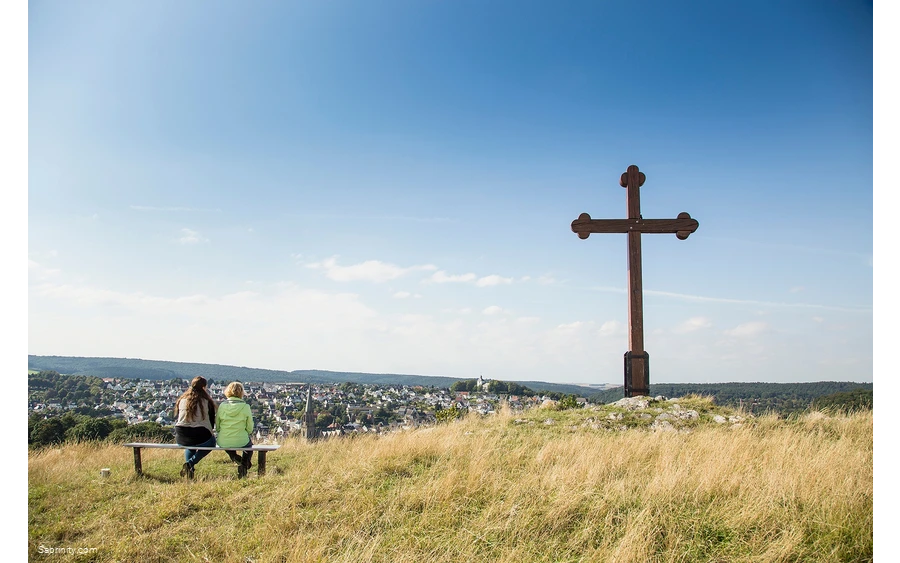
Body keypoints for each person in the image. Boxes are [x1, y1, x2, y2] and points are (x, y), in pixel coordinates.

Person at [173, 376, 217, 479]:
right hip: (201, 433)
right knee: (211, 443)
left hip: (182, 434)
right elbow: (211, 421)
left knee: (190, 446)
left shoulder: (182, 400)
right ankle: (190, 463)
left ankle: (190, 470)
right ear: (204, 387)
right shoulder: (206, 402)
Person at [215, 381, 255, 478]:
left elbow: (217, 425)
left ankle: (235, 457)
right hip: (241, 439)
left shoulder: (222, 406)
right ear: (241, 392)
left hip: (224, 440)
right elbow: (249, 427)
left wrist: (220, 432)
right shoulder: (246, 407)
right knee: (249, 448)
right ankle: (244, 465)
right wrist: (247, 432)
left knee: (225, 443)